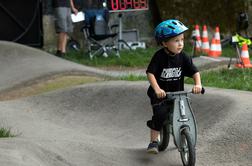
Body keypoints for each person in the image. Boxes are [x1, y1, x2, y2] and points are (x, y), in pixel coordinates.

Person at [146, 19, 202, 154]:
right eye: (176, 41)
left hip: (178, 94)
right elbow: (150, 73)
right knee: (160, 115)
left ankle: (183, 134)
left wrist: (198, 84)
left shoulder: (183, 57)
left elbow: (195, 71)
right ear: (165, 43)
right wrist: (157, 89)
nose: (180, 44)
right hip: (160, 95)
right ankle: (153, 142)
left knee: (185, 113)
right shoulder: (159, 57)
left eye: (182, 40)